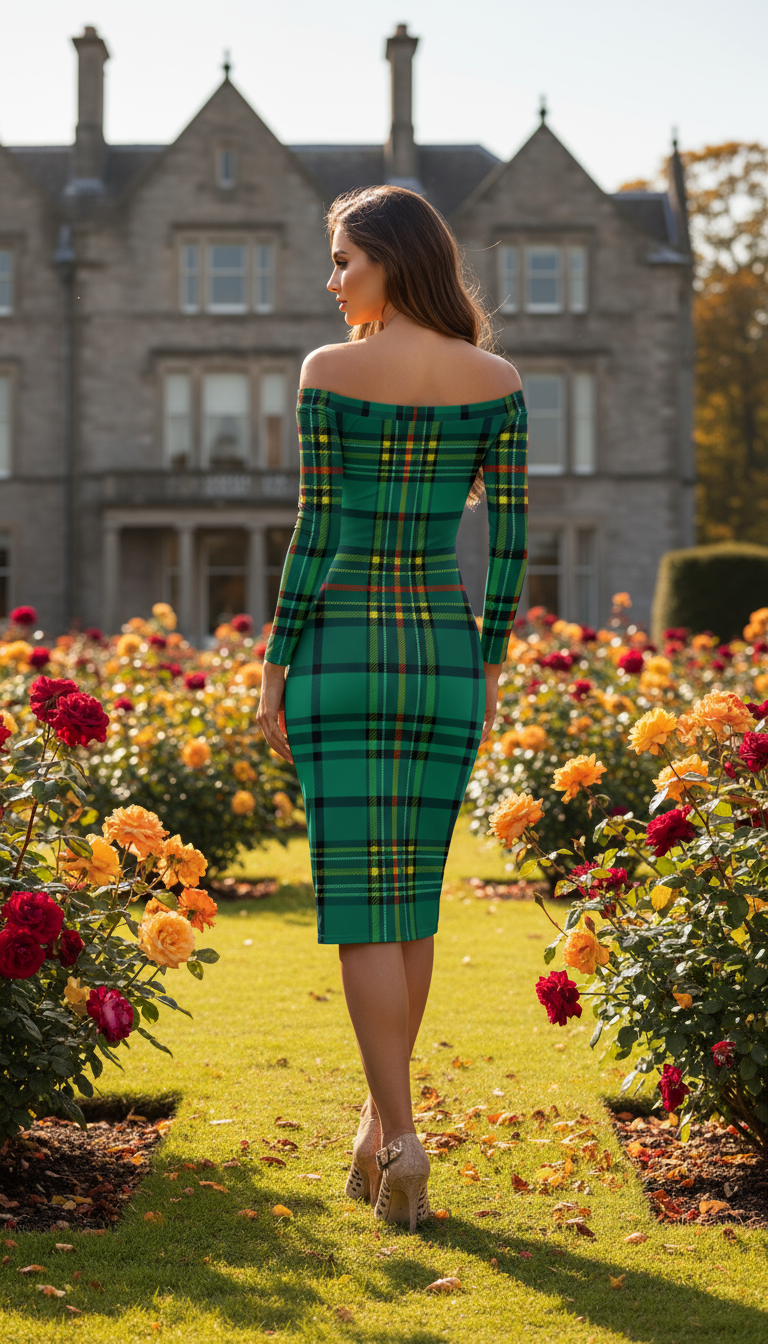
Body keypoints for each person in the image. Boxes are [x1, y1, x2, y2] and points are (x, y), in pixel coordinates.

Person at [256, 185, 528, 1232]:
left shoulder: (331, 372)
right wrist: (492, 663)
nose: (332, 284)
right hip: (443, 660)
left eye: (342, 262)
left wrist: (274, 665)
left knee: (364, 906)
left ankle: (402, 1133)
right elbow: (509, 541)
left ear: (389, 261)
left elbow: (313, 533)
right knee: (412, 898)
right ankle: (380, 1131)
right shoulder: (495, 380)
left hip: (341, 654)